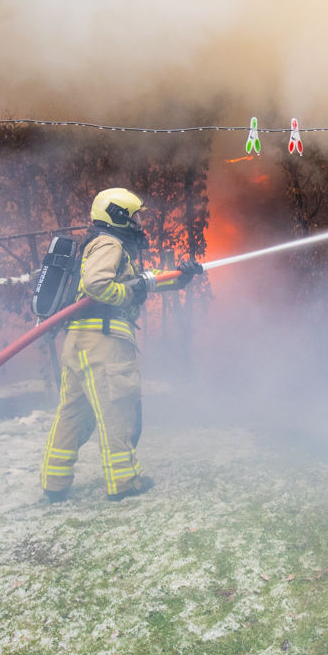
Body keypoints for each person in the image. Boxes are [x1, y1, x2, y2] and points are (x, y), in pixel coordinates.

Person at [39, 187, 201, 500]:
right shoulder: (110, 244)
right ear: (118, 216)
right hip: (104, 343)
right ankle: (124, 483)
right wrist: (128, 294)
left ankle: (54, 482)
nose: (139, 223)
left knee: (72, 415)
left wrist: (179, 277)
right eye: (135, 217)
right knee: (117, 412)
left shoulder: (99, 245)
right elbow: (98, 284)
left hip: (79, 342)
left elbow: (141, 282)